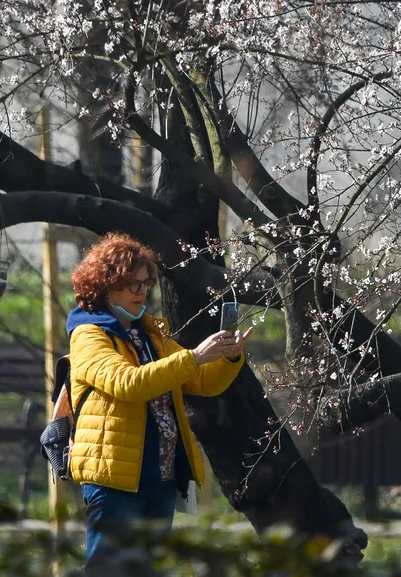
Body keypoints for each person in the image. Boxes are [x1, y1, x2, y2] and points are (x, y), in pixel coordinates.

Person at [66, 232, 251, 570]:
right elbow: (128, 384)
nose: (142, 293)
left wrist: (228, 358)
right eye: (133, 285)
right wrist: (194, 356)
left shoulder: (151, 334)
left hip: (161, 476)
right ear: (105, 284)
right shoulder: (88, 334)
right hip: (114, 478)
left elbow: (203, 382)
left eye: (146, 285)